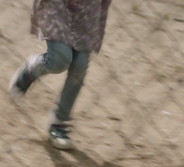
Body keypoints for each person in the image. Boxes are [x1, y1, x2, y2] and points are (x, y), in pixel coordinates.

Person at [8, 0, 112, 150]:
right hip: (58, 5)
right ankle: (32, 70)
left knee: (80, 66)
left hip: (88, 12)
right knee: (59, 60)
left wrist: (99, 25)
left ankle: (59, 122)